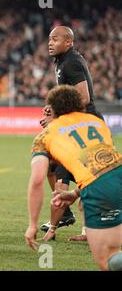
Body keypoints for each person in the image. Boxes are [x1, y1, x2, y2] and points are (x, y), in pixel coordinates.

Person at [25, 85, 122, 270]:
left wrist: (32, 225)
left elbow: (38, 179)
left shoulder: (45, 136)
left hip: (99, 189)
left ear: (52, 109)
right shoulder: (96, 121)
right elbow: (105, 165)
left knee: (107, 258)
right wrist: (76, 193)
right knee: (114, 250)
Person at [39, 26, 104, 242]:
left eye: (55, 39)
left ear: (68, 42)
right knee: (52, 167)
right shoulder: (61, 61)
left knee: (88, 179)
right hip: (74, 126)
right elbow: (67, 95)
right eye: (49, 39)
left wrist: (56, 114)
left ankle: (86, 228)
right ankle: (64, 215)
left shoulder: (72, 61)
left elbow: (83, 97)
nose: (50, 43)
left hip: (87, 128)